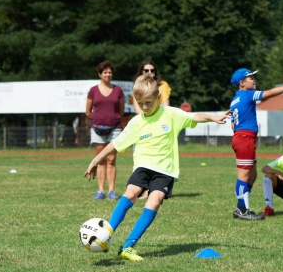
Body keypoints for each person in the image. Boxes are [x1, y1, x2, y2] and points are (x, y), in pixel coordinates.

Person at [84, 75, 231, 261]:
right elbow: (115, 143)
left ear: (158, 99)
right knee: (130, 193)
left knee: (153, 202)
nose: (145, 107)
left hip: (165, 170)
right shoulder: (136, 122)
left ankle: (127, 247)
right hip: (143, 166)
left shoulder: (171, 114)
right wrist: (95, 160)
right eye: (140, 103)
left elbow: (195, 116)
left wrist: (213, 117)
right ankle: (105, 235)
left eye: (148, 102)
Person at [229, 68, 283, 220]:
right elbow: (270, 93)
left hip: (243, 137)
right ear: (242, 83)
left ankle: (243, 206)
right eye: (251, 78)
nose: (254, 80)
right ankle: (241, 209)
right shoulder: (248, 94)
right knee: (244, 176)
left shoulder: (235, 99)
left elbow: (233, 125)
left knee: (252, 175)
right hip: (245, 138)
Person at [85, 60, 125, 200]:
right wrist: (98, 121)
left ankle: (112, 191)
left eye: (110, 72)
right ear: (100, 74)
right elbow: (88, 111)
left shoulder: (118, 90)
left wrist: (112, 120)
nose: (108, 74)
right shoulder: (93, 90)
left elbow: (121, 110)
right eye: (105, 72)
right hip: (97, 130)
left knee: (111, 160)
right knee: (101, 160)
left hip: (115, 129)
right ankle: (101, 190)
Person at [133, 60, 172, 200]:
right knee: (143, 158)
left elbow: (166, 106)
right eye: (146, 70)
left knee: (158, 157)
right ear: (141, 72)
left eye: (152, 70)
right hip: (144, 125)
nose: (149, 73)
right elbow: (138, 109)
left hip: (159, 125)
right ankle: (144, 188)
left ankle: (154, 189)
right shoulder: (138, 87)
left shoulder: (163, 86)